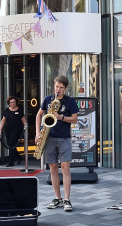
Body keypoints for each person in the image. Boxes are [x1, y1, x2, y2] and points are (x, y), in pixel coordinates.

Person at [36, 75, 79, 212]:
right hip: (49, 137)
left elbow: (75, 119)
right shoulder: (48, 99)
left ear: (65, 88)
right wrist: (37, 133)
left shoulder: (70, 101)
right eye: (56, 87)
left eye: (61, 87)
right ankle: (57, 198)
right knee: (53, 168)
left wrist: (61, 117)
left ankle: (67, 199)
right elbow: (39, 115)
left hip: (64, 137)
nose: (58, 89)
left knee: (65, 168)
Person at [0, 96, 26, 167]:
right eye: (11, 102)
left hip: (17, 129)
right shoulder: (6, 110)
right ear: (9, 103)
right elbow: (3, 120)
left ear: (16, 102)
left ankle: (11, 162)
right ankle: (18, 157)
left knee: (11, 143)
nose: (13, 104)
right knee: (10, 145)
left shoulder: (19, 111)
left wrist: (26, 129)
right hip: (8, 130)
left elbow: (24, 120)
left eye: (14, 102)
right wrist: (0, 130)